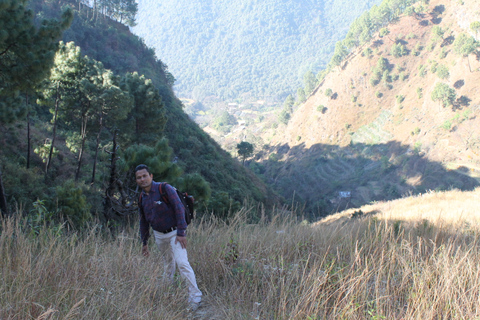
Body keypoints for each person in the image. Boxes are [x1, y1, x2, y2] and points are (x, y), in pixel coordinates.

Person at [135, 164, 202, 309]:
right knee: (168, 264)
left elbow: (179, 208)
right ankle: (167, 292)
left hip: (175, 233)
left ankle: (195, 297)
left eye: (145, 176)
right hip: (159, 235)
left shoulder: (164, 189)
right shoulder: (141, 198)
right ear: (136, 180)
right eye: (139, 177)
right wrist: (144, 242)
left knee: (182, 263)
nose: (142, 179)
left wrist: (181, 233)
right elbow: (143, 221)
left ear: (151, 176)